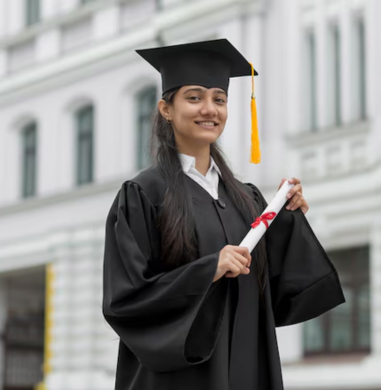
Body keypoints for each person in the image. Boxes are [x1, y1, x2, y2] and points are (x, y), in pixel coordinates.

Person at [102, 38, 345, 390]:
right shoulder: (143, 195)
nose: (210, 109)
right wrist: (208, 270)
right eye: (194, 97)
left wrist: (287, 216)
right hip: (180, 377)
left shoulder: (246, 199)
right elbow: (125, 301)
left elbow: (281, 289)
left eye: (219, 99)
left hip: (246, 366)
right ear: (166, 108)